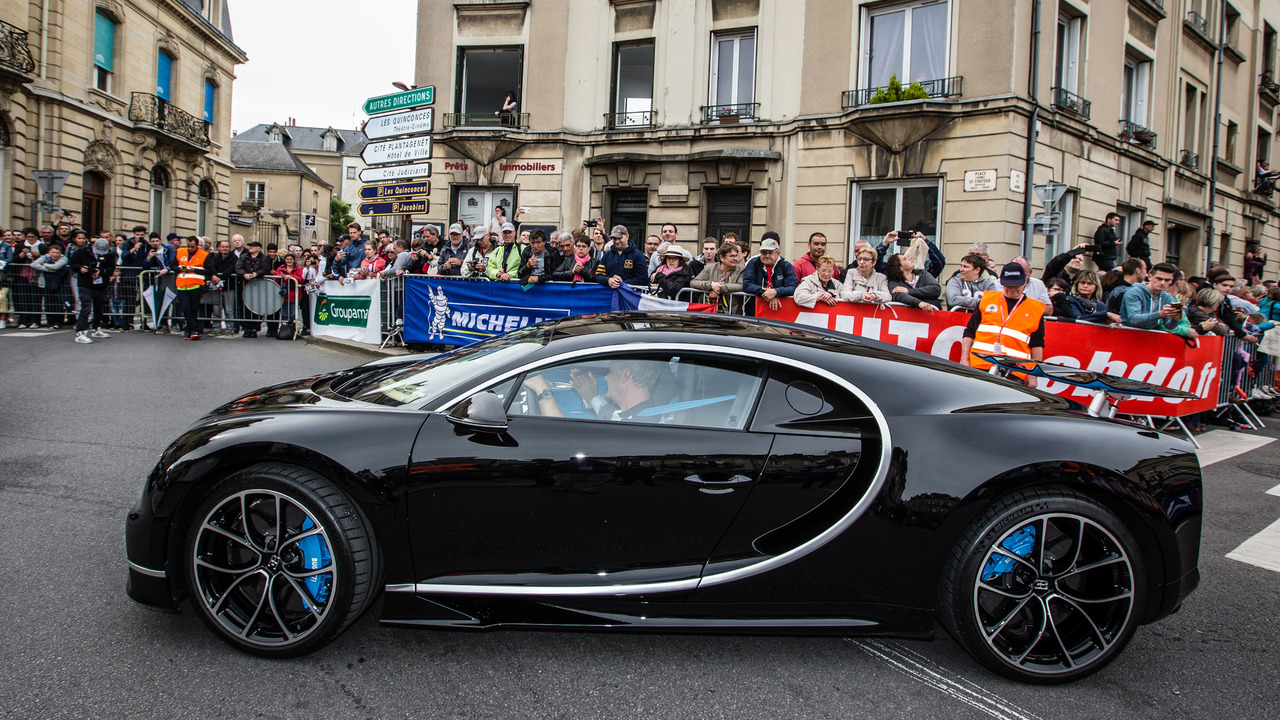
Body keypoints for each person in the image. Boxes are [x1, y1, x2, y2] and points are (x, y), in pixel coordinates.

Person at [960, 262, 1047, 387]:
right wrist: (964, 359)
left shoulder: (1035, 309)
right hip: (980, 364)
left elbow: (1037, 345)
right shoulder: (987, 300)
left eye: (1016, 285)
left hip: (1016, 371)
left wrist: (1032, 375)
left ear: (1025, 281)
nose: (1011, 289)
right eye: (1008, 285)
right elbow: (969, 332)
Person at [524, 358, 660, 422]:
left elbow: (562, 438)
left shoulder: (638, 424)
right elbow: (610, 414)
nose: (606, 378)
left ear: (626, 374)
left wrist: (542, 389)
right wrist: (591, 397)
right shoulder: (637, 415)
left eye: (611, 372)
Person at [68, 236, 116, 343]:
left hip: (101, 284)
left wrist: (101, 272)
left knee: (99, 306)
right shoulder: (82, 251)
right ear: (93, 245)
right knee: (86, 306)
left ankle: (96, 327)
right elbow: (72, 264)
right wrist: (81, 268)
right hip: (85, 283)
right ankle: (81, 331)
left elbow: (111, 268)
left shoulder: (110, 254)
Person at [1120, 262, 1185, 331]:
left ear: (1171, 280)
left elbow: (1169, 326)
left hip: (1150, 336)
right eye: (1159, 279)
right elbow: (1134, 319)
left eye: (1167, 280)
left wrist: (1176, 318)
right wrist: (1160, 314)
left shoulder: (1166, 296)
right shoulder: (1134, 292)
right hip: (1127, 334)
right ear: (1150, 276)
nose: (1163, 283)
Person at [742, 235, 797, 313]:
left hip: (780, 310)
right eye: (764, 253)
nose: (767, 256)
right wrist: (765, 293)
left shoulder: (785, 266)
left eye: (770, 253)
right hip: (754, 310)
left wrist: (775, 292)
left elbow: (793, 287)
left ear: (778, 253)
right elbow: (747, 285)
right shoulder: (754, 263)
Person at [883, 240, 941, 311]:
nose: (909, 258)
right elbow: (900, 296)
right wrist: (919, 303)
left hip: (933, 315)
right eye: (905, 259)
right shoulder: (894, 282)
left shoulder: (922, 273)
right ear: (899, 267)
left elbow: (936, 289)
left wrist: (909, 291)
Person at [691, 240, 745, 312]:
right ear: (722, 257)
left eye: (736, 256)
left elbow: (741, 286)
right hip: (709, 312)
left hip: (731, 314)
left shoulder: (741, 270)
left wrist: (719, 288)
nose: (735, 259)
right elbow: (693, 282)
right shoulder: (710, 268)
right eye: (731, 256)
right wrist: (711, 285)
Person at [173, 235, 209, 340]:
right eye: (188, 246)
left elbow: (209, 270)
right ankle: (192, 329)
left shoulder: (204, 255)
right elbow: (173, 265)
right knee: (186, 308)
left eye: (192, 247)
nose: (190, 249)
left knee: (193, 309)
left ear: (197, 245)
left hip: (195, 285)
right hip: (182, 285)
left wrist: (194, 269)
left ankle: (190, 330)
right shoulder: (180, 252)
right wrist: (180, 269)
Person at [236, 241, 272, 337]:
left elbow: (265, 268)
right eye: (250, 246)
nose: (250, 247)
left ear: (258, 248)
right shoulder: (244, 256)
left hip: (258, 285)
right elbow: (238, 267)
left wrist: (256, 274)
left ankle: (255, 327)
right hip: (245, 284)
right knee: (244, 306)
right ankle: (246, 327)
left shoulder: (264, 258)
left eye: (253, 246)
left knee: (256, 306)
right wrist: (244, 274)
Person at [276, 253, 305, 333]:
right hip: (284, 295)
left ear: (294, 260)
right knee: (284, 313)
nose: (289, 261)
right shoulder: (280, 268)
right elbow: (275, 279)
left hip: (295, 295)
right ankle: (285, 329)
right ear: (285, 260)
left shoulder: (298, 269)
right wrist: (280, 276)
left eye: (291, 259)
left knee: (293, 313)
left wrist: (291, 277)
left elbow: (301, 279)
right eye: (287, 259)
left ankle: (293, 329)